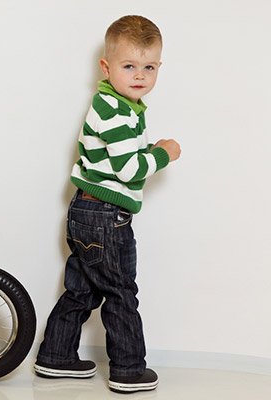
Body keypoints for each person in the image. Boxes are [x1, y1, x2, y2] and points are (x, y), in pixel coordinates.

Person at [34, 15, 181, 394]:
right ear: (107, 67)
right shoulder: (114, 110)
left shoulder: (121, 107)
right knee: (120, 292)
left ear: (159, 68)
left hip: (89, 212)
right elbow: (130, 169)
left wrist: (145, 151)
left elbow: (120, 159)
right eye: (129, 66)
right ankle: (128, 369)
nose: (139, 75)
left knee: (83, 290)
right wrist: (164, 154)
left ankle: (55, 356)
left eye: (149, 67)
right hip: (104, 218)